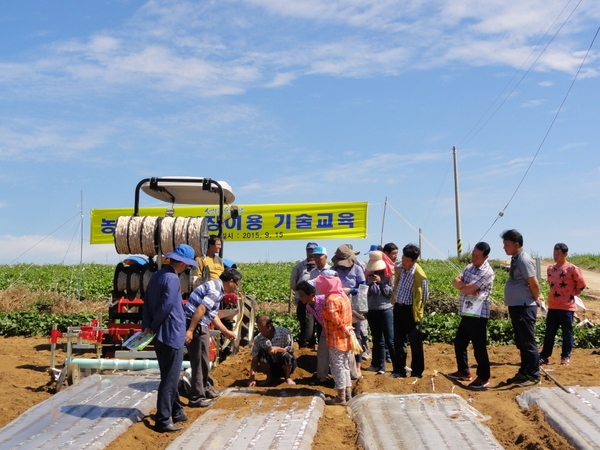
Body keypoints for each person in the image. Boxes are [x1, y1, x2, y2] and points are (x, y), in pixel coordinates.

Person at [142, 244, 197, 433]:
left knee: (169, 374)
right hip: (171, 333)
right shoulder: (173, 279)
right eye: (187, 264)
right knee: (170, 379)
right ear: (182, 262)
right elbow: (165, 307)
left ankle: (176, 410)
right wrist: (155, 325)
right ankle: (163, 419)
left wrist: (148, 326)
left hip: (160, 336)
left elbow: (147, 303)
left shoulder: (157, 276)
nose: (187, 268)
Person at [183, 268, 241, 407]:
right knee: (198, 360)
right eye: (236, 284)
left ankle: (205, 389)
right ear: (230, 282)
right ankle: (196, 397)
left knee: (204, 358)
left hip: (200, 324)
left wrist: (226, 331)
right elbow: (201, 310)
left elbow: (212, 314)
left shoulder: (217, 288)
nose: (236, 287)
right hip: (196, 325)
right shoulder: (215, 291)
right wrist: (190, 330)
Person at [447, 242, 495, 389]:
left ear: (485, 257)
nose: (473, 257)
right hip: (467, 311)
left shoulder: (487, 272)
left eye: (477, 256)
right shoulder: (469, 267)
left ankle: (483, 377)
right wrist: (464, 287)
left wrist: (464, 287)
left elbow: (467, 288)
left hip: (479, 314)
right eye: (473, 254)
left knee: (479, 346)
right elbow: (455, 281)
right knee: (460, 342)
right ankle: (464, 371)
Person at [501, 229, 542, 386]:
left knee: (528, 341)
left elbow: (533, 282)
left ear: (516, 244)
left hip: (524, 306)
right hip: (516, 305)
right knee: (521, 341)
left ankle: (533, 375)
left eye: (507, 244)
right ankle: (524, 371)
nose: (504, 247)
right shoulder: (515, 258)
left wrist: (536, 297)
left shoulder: (524, 260)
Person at [540, 243, 587, 366]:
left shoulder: (572, 269)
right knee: (549, 332)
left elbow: (581, 283)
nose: (555, 256)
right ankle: (545, 356)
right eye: (554, 253)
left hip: (567, 307)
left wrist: (573, 293)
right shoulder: (550, 268)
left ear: (565, 254)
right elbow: (550, 282)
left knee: (567, 333)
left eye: (558, 254)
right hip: (553, 306)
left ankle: (565, 356)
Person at [390, 244, 429, 378]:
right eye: (403, 258)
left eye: (407, 260)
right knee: (399, 340)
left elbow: (425, 295)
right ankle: (399, 370)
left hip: (411, 310)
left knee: (415, 342)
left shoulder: (419, 274)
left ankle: (417, 371)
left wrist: (417, 308)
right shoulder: (399, 268)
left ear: (415, 261)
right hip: (398, 308)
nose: (404, 262)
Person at [315, 274, 354, 405]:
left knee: (337, 367)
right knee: (344, 365)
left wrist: (343, 327)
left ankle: (340, 397)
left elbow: (334, 317)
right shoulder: (343, 296)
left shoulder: (331, 299)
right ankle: (348, 394)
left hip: (336, 337)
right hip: (346, 337)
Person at [331, 244, 366, 378]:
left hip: (353, 305)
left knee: (355, 335)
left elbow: (363, 287)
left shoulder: (357, 269)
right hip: (338, 307)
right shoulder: (334, 270)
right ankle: (342, 366)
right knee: (340, 335)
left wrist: (351, 290)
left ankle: (357, 365)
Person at [365, 250, 397, 375]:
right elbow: (365, 294)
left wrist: (380, 282)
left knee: (390, 339)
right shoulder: (368, 275)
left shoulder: (389, 276)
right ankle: (381, 366)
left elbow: (390, 294)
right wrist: (368, 285)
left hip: (386, 309)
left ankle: (396, 366)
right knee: (378, 340)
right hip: (372, 310)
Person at [295, 280, 329, 384]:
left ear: (311, 294)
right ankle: (322, 378)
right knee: (322, 353)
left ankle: (352, 376)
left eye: (302, 295)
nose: (300, 298)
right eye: (299, 295)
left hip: (336, 330)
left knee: (340, 355)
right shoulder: (308, 307)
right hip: (325, 330)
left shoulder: (323, 300)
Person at [248, 315, 297, 386]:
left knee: (286, 355)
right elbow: (255, 359)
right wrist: (252, 377)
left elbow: (291, 350)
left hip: (286, 365)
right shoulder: (258, 339)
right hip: (270, 366)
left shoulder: (284, 333)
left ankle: (287, 377)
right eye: (259, 329)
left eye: (262, 330)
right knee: (261, 354)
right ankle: (269, 377)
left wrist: (278, 349)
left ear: (269, 327)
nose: (260, 332)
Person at [290, 242, 318, 348]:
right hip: (303, 300)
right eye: (309, 250)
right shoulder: (299, 267)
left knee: (313, 322)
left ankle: (309, 343)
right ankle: (307, 344)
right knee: (305, 322)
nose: (310, 253)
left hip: (317, 300)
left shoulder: (322, 267)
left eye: (313, 250)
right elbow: (293, 283)